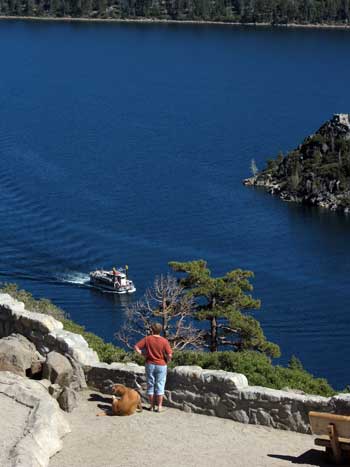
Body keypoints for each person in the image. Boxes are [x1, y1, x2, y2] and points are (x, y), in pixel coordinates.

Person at [134, 323, 172, 413]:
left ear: (152, 330)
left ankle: (151, 406)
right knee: (160, 385)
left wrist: (142, 354)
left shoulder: (147, 339)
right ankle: (159, 407)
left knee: (150, 385)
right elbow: (169, 354)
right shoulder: (164, 341)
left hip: (150, 364)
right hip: (161, 365)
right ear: (160, 330)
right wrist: (168, 360)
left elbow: (136, 347)